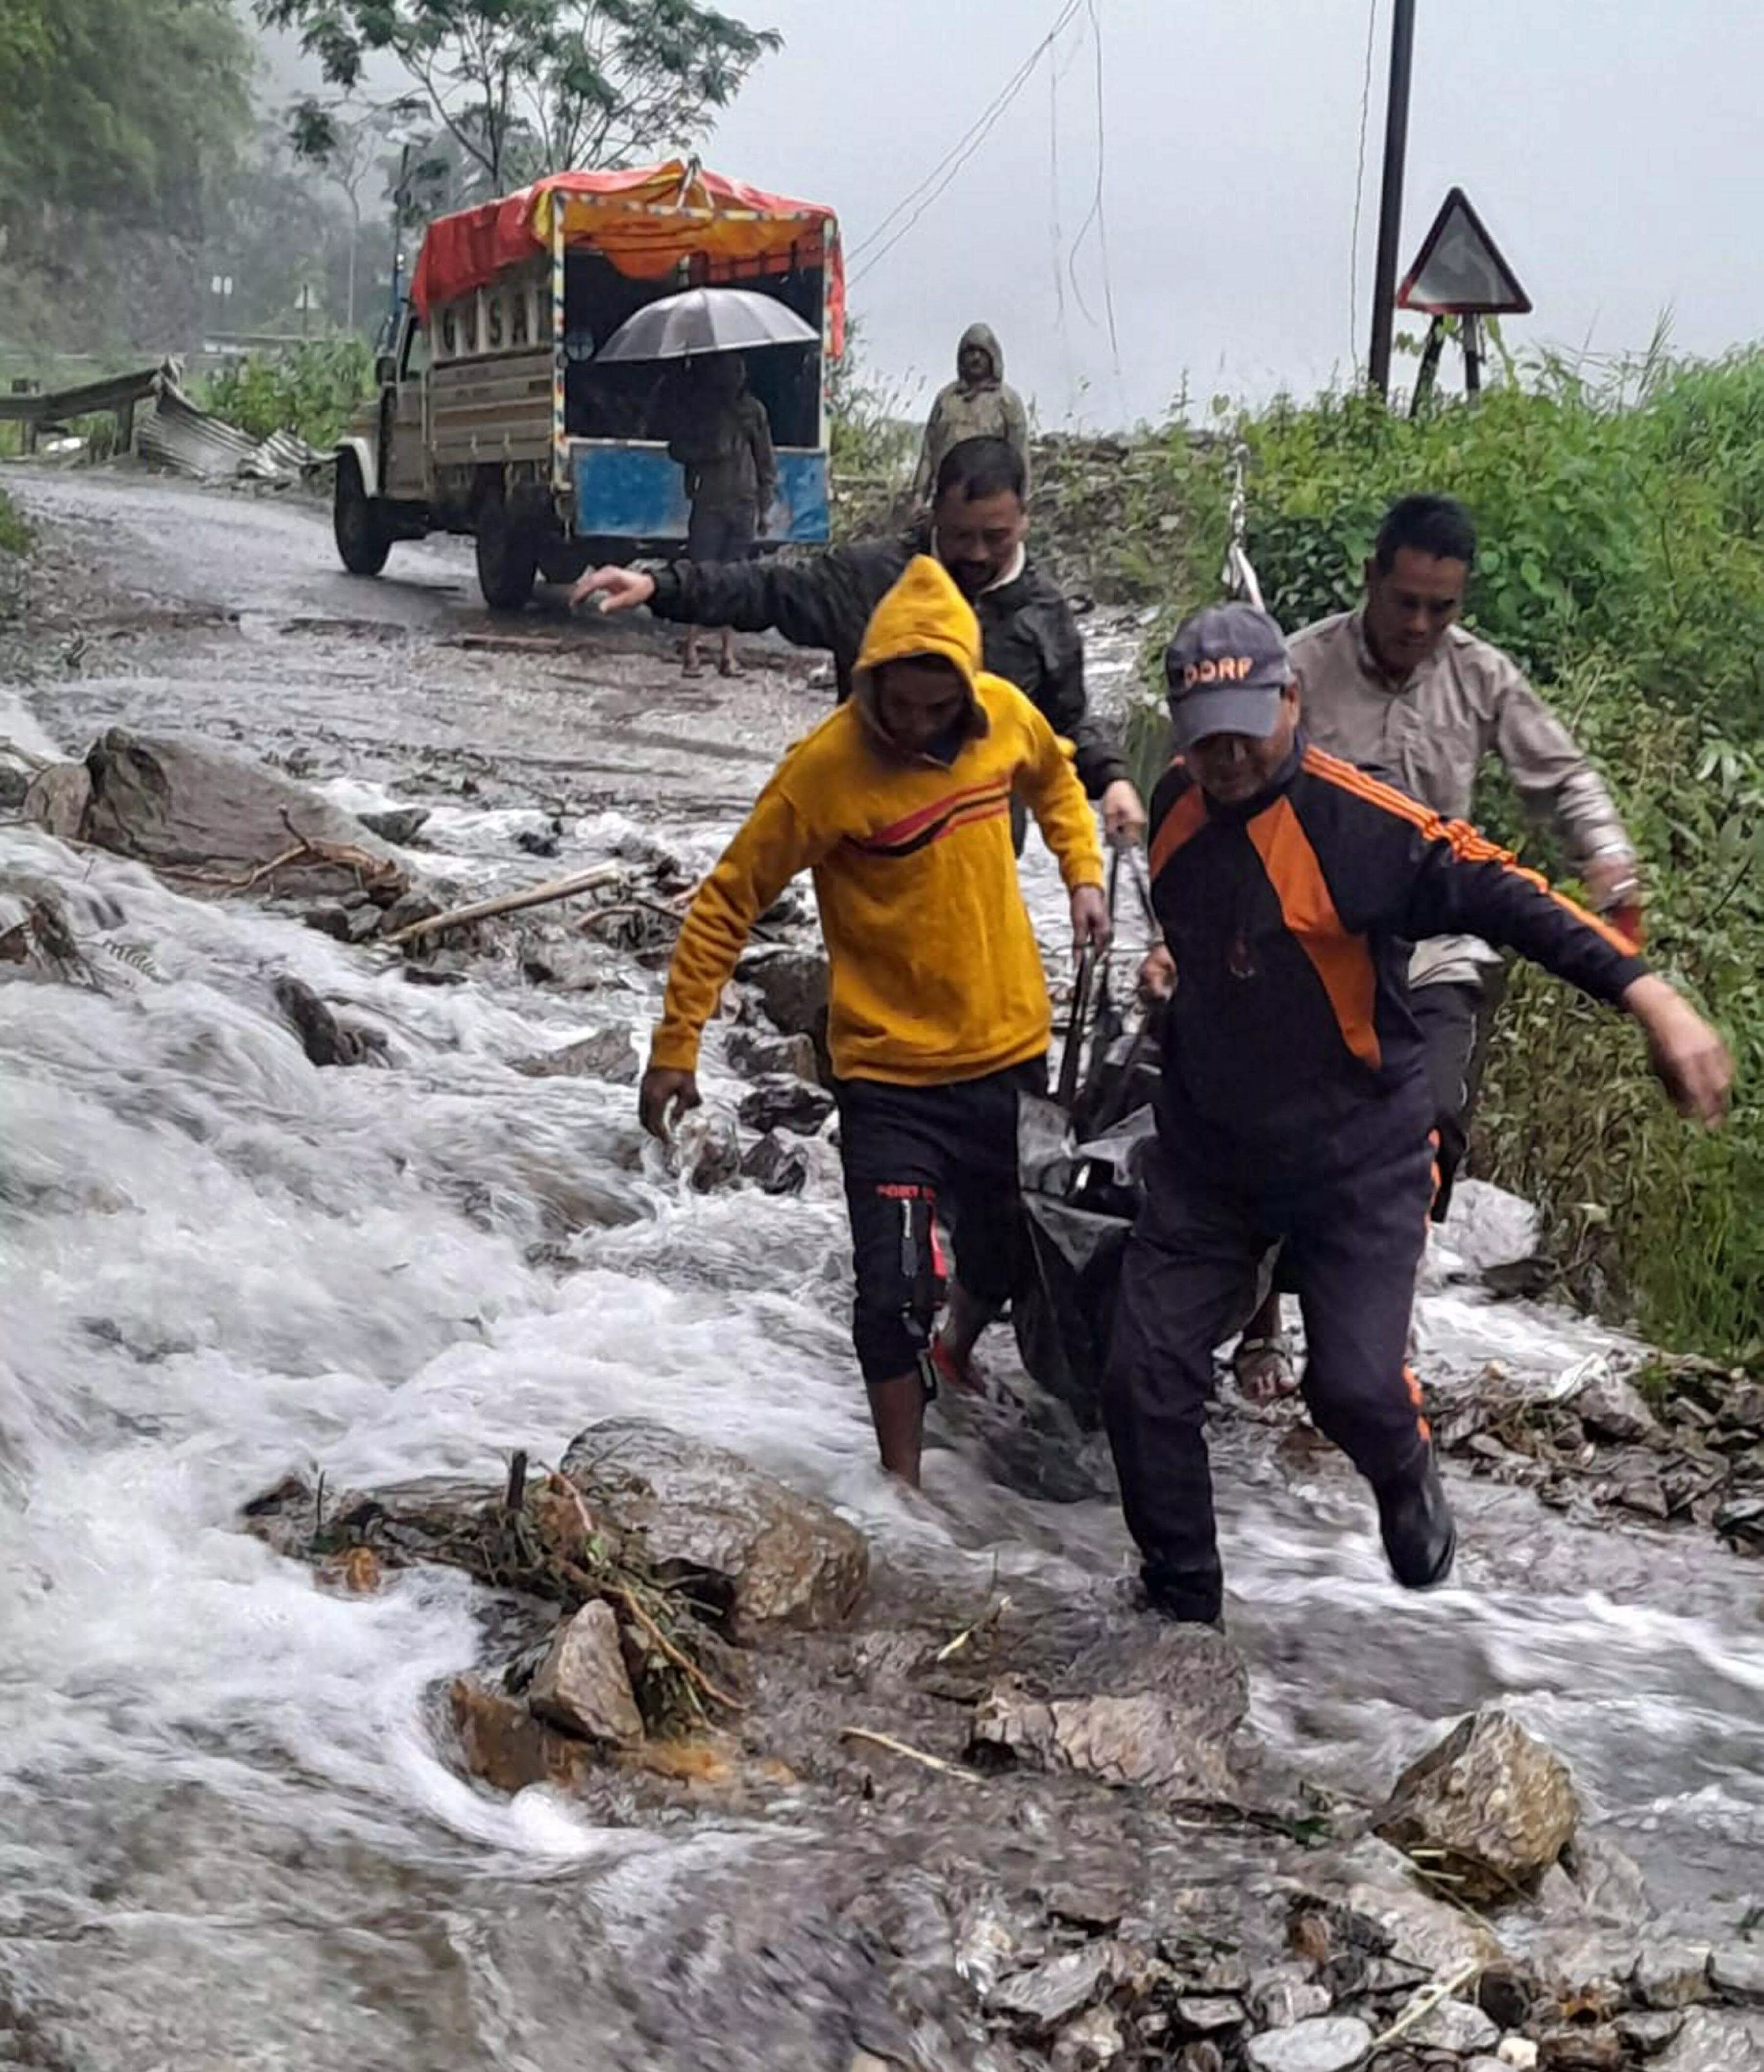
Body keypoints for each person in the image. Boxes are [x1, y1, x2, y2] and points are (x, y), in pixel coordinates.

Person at [1107, 601, 1731, 1626]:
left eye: (1246, 727)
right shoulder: (1176, 803)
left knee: (1349, 1389)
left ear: (1292, 702)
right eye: (1203, 731)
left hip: (1358, 1152)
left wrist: (1650, 994)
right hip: (1211, 1148)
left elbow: (1512, 896)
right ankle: (1183, 1606)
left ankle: (1405, 1466)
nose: (1224, 755)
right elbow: (1213, 926)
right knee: (1142, 1377)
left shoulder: (1362, 824)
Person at [639, 555, 1110, 1486]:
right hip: (890, 1076)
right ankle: (905, 1488)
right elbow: (729, 898)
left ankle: (960, 1350)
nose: (921, 726)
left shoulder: (1005, 716)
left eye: (941, 709)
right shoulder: (824, 771)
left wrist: (1082, 872)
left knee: (1005, 1251)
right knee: (892, 1290)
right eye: (903, 705)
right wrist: (675, 1046)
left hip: (1008, 1051)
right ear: (871, 680)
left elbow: (1056, 781)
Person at [1223, 493, 1645, 1399]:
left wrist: (1608, 859)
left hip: (1433, 947)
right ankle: (1260, 1323)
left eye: (1440, 607)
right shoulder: (1297, 668)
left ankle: (1370, 1339)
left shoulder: (1480, 677)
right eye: (1405, 600)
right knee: (1275, 1127)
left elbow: (1561, 776)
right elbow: (1232, 788)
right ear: (1371, 578)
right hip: (1313, 942)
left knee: (1427, 1124)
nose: (1420, 624)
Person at [571, 437, 1147, 846]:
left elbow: (1067, 726)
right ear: (934, 516)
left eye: (994, 538)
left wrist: (1113, 781)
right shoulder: (869, 581)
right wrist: (658, 584)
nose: (975, 554)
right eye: (960, 535)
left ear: (1024, 520)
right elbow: (767, 590)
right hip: (867, 837)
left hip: (982, 847)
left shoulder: (1044, 617)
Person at [662, 354, 776, 679]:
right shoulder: (701, 411)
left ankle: (728, 656)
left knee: (735, 578)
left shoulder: (753, 412)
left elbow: (766, 461)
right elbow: (677, 448)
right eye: (728, 371)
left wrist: (764, 507)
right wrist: (710, 451)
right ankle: (692, 652)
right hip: (709, 504)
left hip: (743, 503)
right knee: (701, 576)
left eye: (740, 371)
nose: (735, 377)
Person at [911, 324, 1031, 506]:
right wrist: (919, 495)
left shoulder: (1007, 401)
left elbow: (1019, 452)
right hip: (949, 496)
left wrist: (1021, 499)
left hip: (991, 496)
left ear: (993, 357)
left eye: (982, 352)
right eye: (970, 352)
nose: (976, 358)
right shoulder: (947, 399)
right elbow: (929, 450)